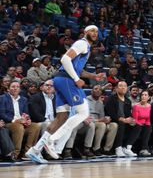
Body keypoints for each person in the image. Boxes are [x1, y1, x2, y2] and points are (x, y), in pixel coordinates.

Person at [26, 25, 102, 164]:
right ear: (85, 32)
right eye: (92, 30)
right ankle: (52, 141)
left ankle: (35, 150)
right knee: (83, 112)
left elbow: (77, 68)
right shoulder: (82, 43)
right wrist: (76, 79)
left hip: (60, 80)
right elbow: (65, 60)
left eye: (96, 31)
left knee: (62, 117)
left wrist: (93, 75)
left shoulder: (85, 47)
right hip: (67, 80)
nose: (95, 33)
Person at [0, 80, 41, 160]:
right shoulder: (2, 98)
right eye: (13, 86)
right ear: (8, 89)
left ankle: (27, 152)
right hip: (9, 123)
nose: (15, 88)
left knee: (36, 126)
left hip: (21, 122)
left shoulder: (24, 99)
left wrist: (28, 119)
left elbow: (26, 113)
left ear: (20, 89)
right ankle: (15, 153)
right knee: (18, 126)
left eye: (17, 87)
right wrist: (14, 120)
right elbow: (2, 113)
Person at [105, 81, 137, 157]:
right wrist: (122, 119)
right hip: (114, 120)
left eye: (125, 86)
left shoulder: (128, 101)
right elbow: (110, 113)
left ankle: (127, 147)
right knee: (121, 123)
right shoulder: (111, 98)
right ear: (116, 88)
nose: (123, 87)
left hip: (124, 121)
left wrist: (131, 119)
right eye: (120, 86)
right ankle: (118, 148)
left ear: (127, 89)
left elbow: (128, 114)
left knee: (137, 125)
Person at [86, 84, 117, 156]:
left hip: (99, 122)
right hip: (89, 123)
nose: (98, 91)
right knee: (102, 125)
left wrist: (106, 120)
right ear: (91, 91)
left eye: (100, 90)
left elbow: (102, 116)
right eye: (96, 89)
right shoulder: (86, 100)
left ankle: (107, 149)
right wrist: (100, 120)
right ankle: (96, 148)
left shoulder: (100, 103)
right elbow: (86, 117)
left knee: (114, 125)